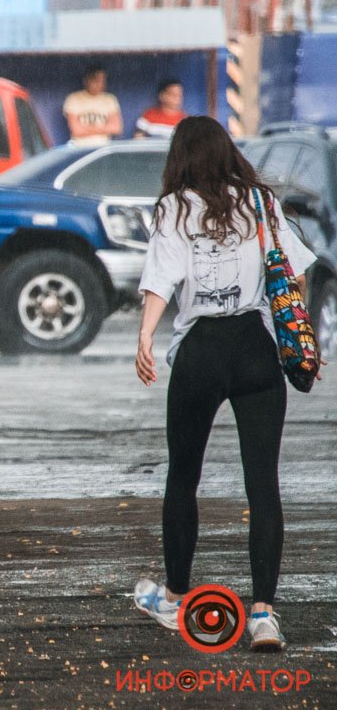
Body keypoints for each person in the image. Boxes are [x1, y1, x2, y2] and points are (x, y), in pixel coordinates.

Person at [132, 116, 318, 652]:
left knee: (182, 477)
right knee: (263, 484)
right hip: (256, 348)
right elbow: (295, 276)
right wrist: (295, 328)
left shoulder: (174, 208)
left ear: (181, 156)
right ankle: (263, 615)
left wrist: (145, 335)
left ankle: (175, 599)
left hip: (200, 352)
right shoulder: (259, 202)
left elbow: (162, 277)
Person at [63, 64, 122, 146]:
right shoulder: (73, 98)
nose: (99, 84)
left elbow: (116, 128)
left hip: (103, 148)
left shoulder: (110, 99)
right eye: (96, 80)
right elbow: (76, 131)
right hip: (79, 147)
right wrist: (104, 128)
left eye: (102, 80)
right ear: (86, 80)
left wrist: (87, 129)